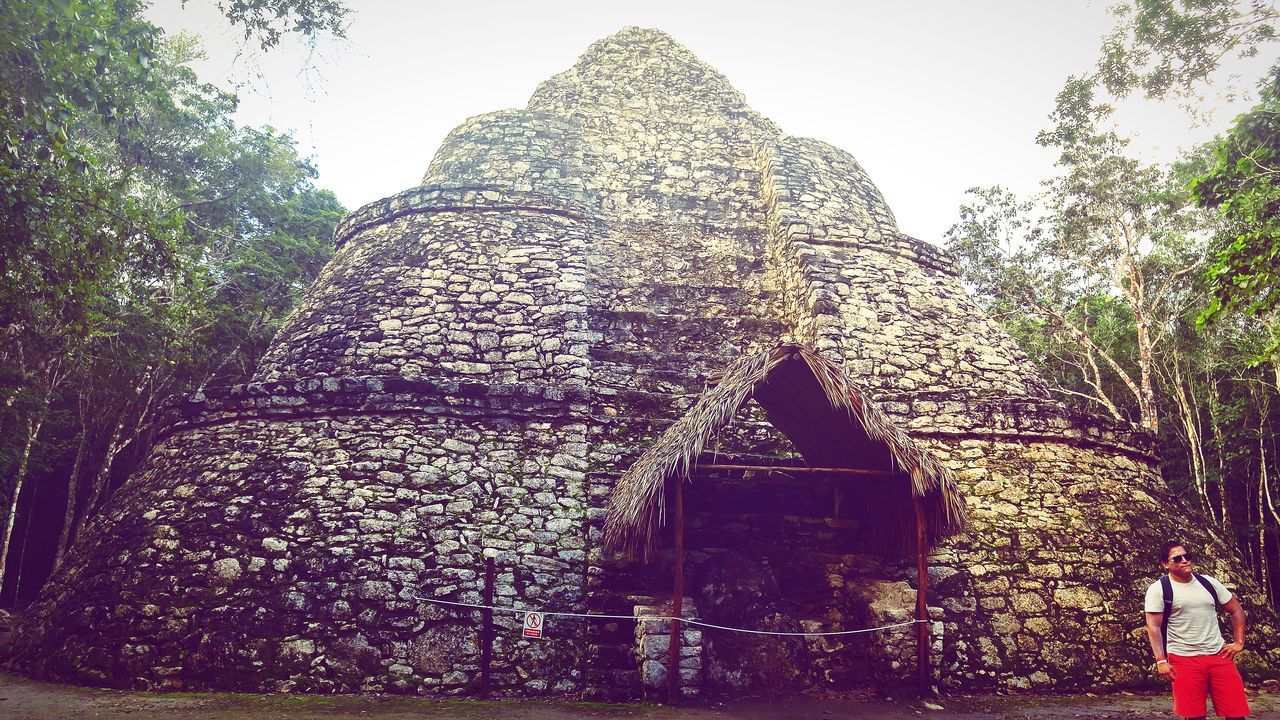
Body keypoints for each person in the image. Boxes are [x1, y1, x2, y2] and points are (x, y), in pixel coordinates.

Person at [1144, 541, 1249, 719]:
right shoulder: (1159, 589)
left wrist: (1239, 642)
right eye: (1177, 558)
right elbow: (1153, 626)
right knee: (1194, 715)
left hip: (1219, 655)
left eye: (1187, 556)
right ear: (1165, 564)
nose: (1184, 560)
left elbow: (1236, 610)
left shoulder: (1208, 583)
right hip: (1184, 659)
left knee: (1236, 713)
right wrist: (1161, 660)